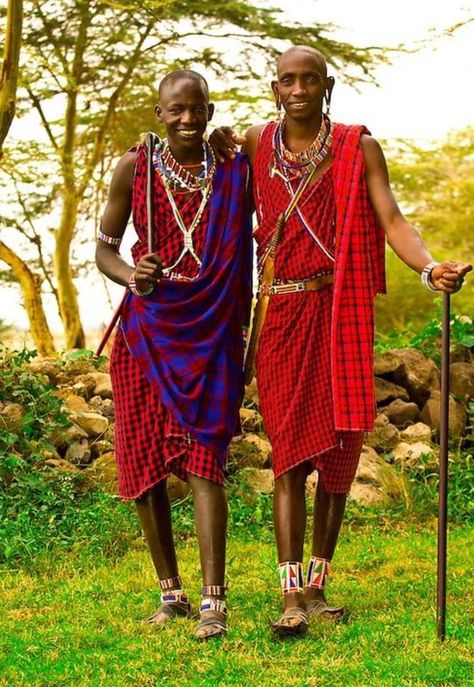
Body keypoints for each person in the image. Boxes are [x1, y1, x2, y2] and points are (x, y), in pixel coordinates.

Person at [210, 45, 471, 638]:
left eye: (309, 80)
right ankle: (289, 594)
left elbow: (394, 220)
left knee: (337, 457)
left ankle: (317, 585)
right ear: (274, 89)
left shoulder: (358, 146)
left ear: (326, 87)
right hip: (280, 315)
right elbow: (210, 190)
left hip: (339, 311)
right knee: (288, 458)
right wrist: (163, 150)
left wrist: (429, 269)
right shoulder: (255, 144)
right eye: (287, 80)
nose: (297, 88)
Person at [96, 69, 252, 640]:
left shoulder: (233, 169)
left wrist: (231, 138)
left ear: (209, 112)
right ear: (160, 114)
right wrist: (132, 277)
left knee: (205, 461)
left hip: (210, 330)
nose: (188, 119)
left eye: (198, 109)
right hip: (148, 333)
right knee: (144, 466)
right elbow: (105, 249)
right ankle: (172, 594)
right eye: (176, 110)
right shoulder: (134, 168)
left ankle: (215, 600)